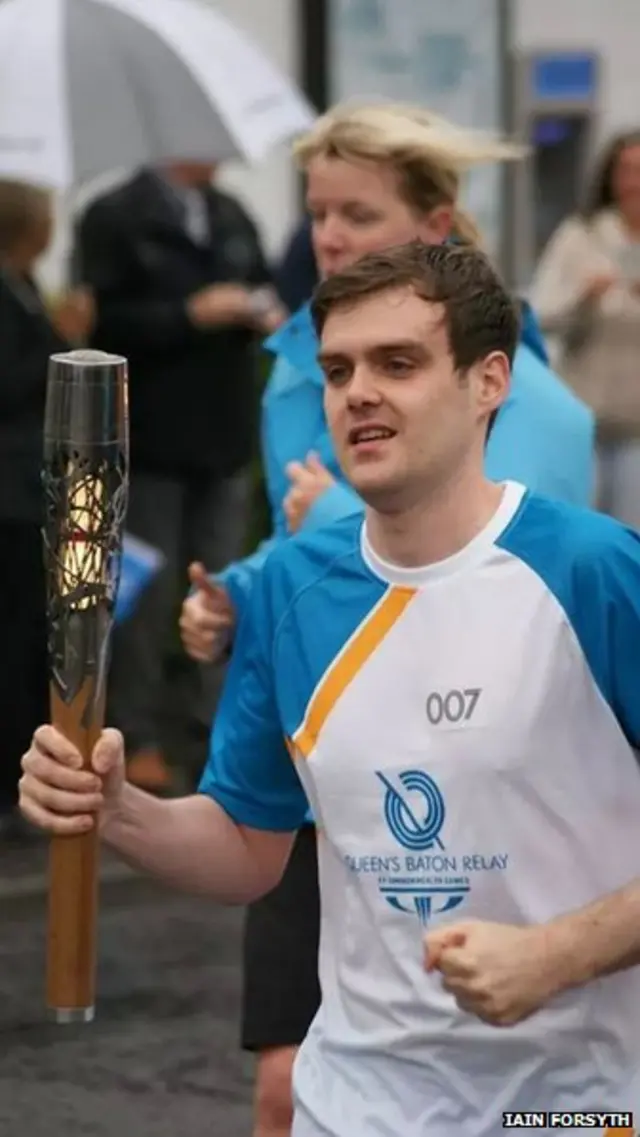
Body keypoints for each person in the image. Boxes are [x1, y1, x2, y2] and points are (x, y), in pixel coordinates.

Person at [20, 241, 640, 1136]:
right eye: (339, 369)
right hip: (354, 1107)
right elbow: (245, 842)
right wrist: (117, 808)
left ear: (488, 381)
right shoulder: (290, 586)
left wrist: (554, 955)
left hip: (570, 1108)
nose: (358, 392)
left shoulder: (594, 571)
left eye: (399, 363)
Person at [180, 103, 596, 1137]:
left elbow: (476, 550)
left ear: (437, 225)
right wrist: (239, 599)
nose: (327, 238)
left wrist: (301, 545)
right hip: (323, 745)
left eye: (357, 215)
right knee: (286, 1084)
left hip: (472, 788)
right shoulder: (290, 370)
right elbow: (317, 549)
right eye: (318, 214)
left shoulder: (525, 400)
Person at [74, 161, 286, 791]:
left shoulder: (230, 212)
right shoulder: (114, 216)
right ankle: (134, 736)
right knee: (144, 595)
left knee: (222, 589)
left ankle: (215, 735)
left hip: (223, 436)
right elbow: (100, 324)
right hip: (151, 438)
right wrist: (189, 314)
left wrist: (258, 311)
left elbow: (264, 284)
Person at [0, 179, 92, 840]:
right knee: (14, 641)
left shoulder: (26, 287)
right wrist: (58, 339)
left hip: (35, 493)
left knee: (37, 638)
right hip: (8, 500)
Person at [531, 129, 640, 528]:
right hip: (586, 417)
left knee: (632, 538)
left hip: (637, 427)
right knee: (582, 527)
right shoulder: (581, 236)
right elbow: (541, 313)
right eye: (627, 170)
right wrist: (583, 296)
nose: (635, 182)